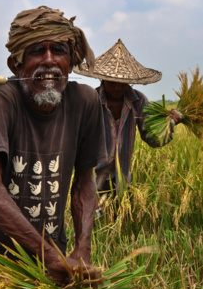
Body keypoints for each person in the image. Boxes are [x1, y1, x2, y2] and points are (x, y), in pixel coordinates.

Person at [0, 5, 106, 283]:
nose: (49, 60)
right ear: (16, 65)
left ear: (70, 63)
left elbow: (85, 182)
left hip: (50, 267)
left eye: (58, 50)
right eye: (36, 51)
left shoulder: (85, 102)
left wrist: (82, 248)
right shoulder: (1, 99)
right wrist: (50, 257)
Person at [73, 39, 181, 198]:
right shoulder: (91, 100)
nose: (118, 87)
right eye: (113, 82)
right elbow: (76, 144)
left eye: (122, 83)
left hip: (122, 182)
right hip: (92, 181)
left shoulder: (139, 101)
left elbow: (152, 139)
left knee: (121, 219)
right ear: (102, 78)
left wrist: (169, 125)